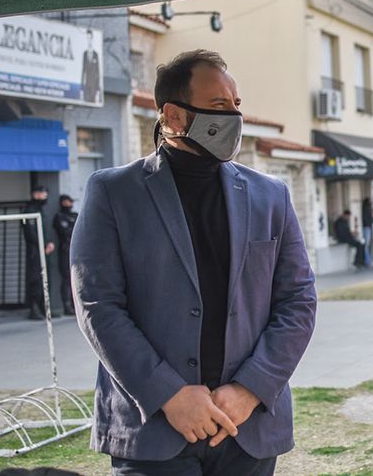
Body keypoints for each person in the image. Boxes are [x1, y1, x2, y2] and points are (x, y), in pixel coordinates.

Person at [71, 49, 317, 475]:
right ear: (174, 115)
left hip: (246, 429)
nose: (234, 118)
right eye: (219, 106)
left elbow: (298, 301)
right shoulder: (113, 192)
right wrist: (170, 395)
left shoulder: (270, 196)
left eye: (237, 105)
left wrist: (249, 390)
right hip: (153, 431)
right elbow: (98, 306)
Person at [22, 185, 57, 320]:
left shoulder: (41, 210)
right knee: (35, 279)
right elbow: (30, 233)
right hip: (35, 251)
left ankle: (45, 308)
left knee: (46, 279)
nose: (45, 196)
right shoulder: (29, 210)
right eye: (43, 194)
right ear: (35, 194)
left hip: (44, 250)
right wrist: (41, 245)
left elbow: (44, 230)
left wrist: (49, 243)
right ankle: (34, 309)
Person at [53, 194, 79, 317]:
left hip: (77, 251)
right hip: (65, 250)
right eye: (69, 201)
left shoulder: (75, 215)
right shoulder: (59, 216)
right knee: (67, 279)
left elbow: (80, 230)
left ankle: (77, 305)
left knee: (78, 279)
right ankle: (67, 305)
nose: (71, 204)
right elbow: (65, 232)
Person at [82, 29, 102, 104]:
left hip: (94, 88)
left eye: (90, 38)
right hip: (86, 87)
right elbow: (83, 71)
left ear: (92, 39)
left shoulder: (96, 55)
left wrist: (98, 91)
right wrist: (81, 88)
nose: (89, 41)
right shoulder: (84, 54)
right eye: (87, 38)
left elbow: (98, 73)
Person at [359, 196, 373, 267]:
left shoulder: (366, 209)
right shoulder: (367, 209)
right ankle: (367, 261)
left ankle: (367, 260)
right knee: (366, 245)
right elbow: (368, 219)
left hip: (367, 227)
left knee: (366, 245)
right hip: (367, 228)